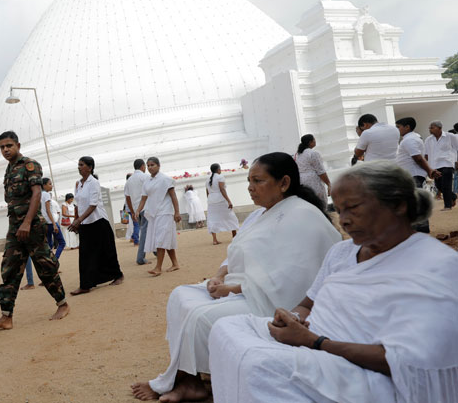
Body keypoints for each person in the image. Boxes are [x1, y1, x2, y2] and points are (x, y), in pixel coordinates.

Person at [208, 161, 458, 403]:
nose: (344, 220)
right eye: (339, 210)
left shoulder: (438, 266)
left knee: (260, 366)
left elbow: (409, 360)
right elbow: (306, 305)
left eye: (353, 207)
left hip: (361, 370)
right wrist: (291, 319)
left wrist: (315, 342)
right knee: (226, 329)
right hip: (313, 343)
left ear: (399, 205)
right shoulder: (341, 252)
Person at [131, 152, 340, 402]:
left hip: (265, 298)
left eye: (258, 181)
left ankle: (186, 382)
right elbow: (236, 252)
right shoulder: (259, 214)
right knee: (180, 295)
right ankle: (191, 378)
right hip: (240, 285)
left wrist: (233, 289)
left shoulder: (303, 216)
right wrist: (218, 277)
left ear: (284, 183)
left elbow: (290, 278)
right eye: (249, 181)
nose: (250, 188)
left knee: (201, 317)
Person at [0, 131, 69, 329]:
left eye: (9, 146)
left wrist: (27, 222)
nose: (5, 150)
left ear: (18, 145)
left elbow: (37, 193)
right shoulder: (9, 169)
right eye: (2, 147)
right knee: (9, 268)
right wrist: (18, 224)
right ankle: (6, 316)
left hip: (31, 226)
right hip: (15, 227)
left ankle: (62, 304)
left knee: (44, 266)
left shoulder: (30, 165)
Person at [68, 156, 124, 295]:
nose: (79, 167)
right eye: (78, 165)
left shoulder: (94, 183)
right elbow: (78, 204)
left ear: (90, 167)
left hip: (98, 222)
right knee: (85, 254)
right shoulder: (78, 184)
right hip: (85, 223)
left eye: (82, 165)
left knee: (107, 250)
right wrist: (77, 221)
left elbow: (93, 205)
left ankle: (118, 275)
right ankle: (85, 285)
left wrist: (78, 220)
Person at [135, 157, 180, 276]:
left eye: (152, 165)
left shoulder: (165, 179)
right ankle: (175, 264)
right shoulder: (147, 181)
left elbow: (173, 196)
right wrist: (138, 211)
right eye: (148, 165)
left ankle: (158, 267)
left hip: (165, 212)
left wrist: (177, 212)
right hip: (153, 214)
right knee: (166, 239)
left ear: (159, 166)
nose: (150, 167)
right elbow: (143, 198)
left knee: (161, 239)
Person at [396, 117, 439, 233]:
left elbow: (418, 158)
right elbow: (422, 157)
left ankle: (421, 227)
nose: (397, 130)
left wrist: (429, 170)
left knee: (415, 201)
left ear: (407, 127)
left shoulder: (409, 140)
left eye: (398, 127)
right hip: (412, 174)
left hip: (412, 174)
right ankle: (419, 227)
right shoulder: (413, 138)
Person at [23, 177, 66, 290]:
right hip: (50, 222)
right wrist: (54, 223)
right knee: (61, 243)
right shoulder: (46, 195)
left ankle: (48, 270)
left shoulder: (37, 195)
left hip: (42, 223)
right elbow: (48, 210)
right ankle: (54, 264)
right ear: (44, 185)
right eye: (50, 184)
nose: (51, 186)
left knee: (48, 246)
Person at [425, 120, 458, 211]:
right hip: (435, 165)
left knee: (446, 185)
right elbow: (426, 154)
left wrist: (456, 161)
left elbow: (456, 148)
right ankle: (453, 196)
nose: (430, 129)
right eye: (429, 128)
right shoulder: (428, 140)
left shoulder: (450, 136)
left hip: (447, 163)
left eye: (432, 127)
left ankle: (447, 206)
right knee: (439, 185)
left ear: (439, 128)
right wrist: (427, 167)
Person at [204, 163, 239, 245]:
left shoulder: (207, 179)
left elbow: (207, 192)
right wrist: (229, 201)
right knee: (230, 216)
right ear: (218, 169)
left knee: (212, 219)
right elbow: (222, 189)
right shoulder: (220, 177)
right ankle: (234, 236)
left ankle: (214, 240)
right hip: (220, 199)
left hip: (211, 200)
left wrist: (209, 200)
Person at [124, 159, 151, 264]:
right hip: (146, 208)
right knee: (145, 233)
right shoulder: (145, 177)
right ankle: (140, 258)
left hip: (136, 210)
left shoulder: (129, 181)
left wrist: (133, 212)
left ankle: (155, 251)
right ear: (143, 166)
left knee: (148, 231)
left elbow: (128, 198)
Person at [294, 134, 331, 203]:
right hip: (313, 181)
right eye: (314, 139)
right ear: (310, 142)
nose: (315, 141)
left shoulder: (297, 154)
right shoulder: (313, 153)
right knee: (318, 203)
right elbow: (320, 171)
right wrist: (328, 183)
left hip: (302, 182)